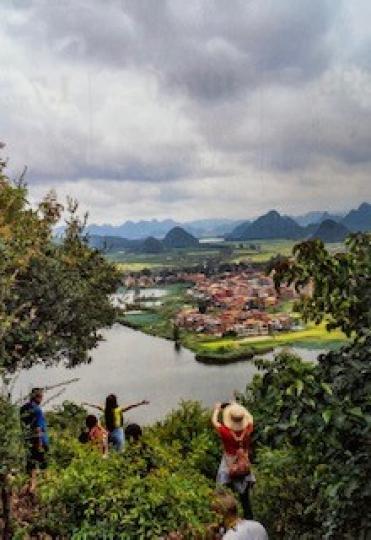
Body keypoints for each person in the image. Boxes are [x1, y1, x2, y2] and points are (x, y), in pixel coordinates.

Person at [212, 402, 255, 520]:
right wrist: (239, 407)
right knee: (245, 498)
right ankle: (249, 518)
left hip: (229, 462)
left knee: (224, 492)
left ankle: (228, 517)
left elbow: (215, 422)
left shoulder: (226, 432)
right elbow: (250, 417)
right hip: (243, 463)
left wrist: (217, 409)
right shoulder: (248, 429)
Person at [83, 394, 149, 451]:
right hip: (117, 431)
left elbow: (98, 407)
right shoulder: (118, 410)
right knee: (120, 448)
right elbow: (130, 407)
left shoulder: (107, 410)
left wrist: (88, 404)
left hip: (109, 431)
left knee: (105, 447)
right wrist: (140, 403)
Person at [20, 387, 49, 494]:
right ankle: (40, 491)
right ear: (37, 397)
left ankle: (30, 488)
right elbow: (38, 429)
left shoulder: (23, 409)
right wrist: (40, 445)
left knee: (30, 466)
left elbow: (23, 426)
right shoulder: (37, 410)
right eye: (41, 396)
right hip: (39, 442)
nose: (42, 398)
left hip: (28, 441)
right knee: (43, 467)